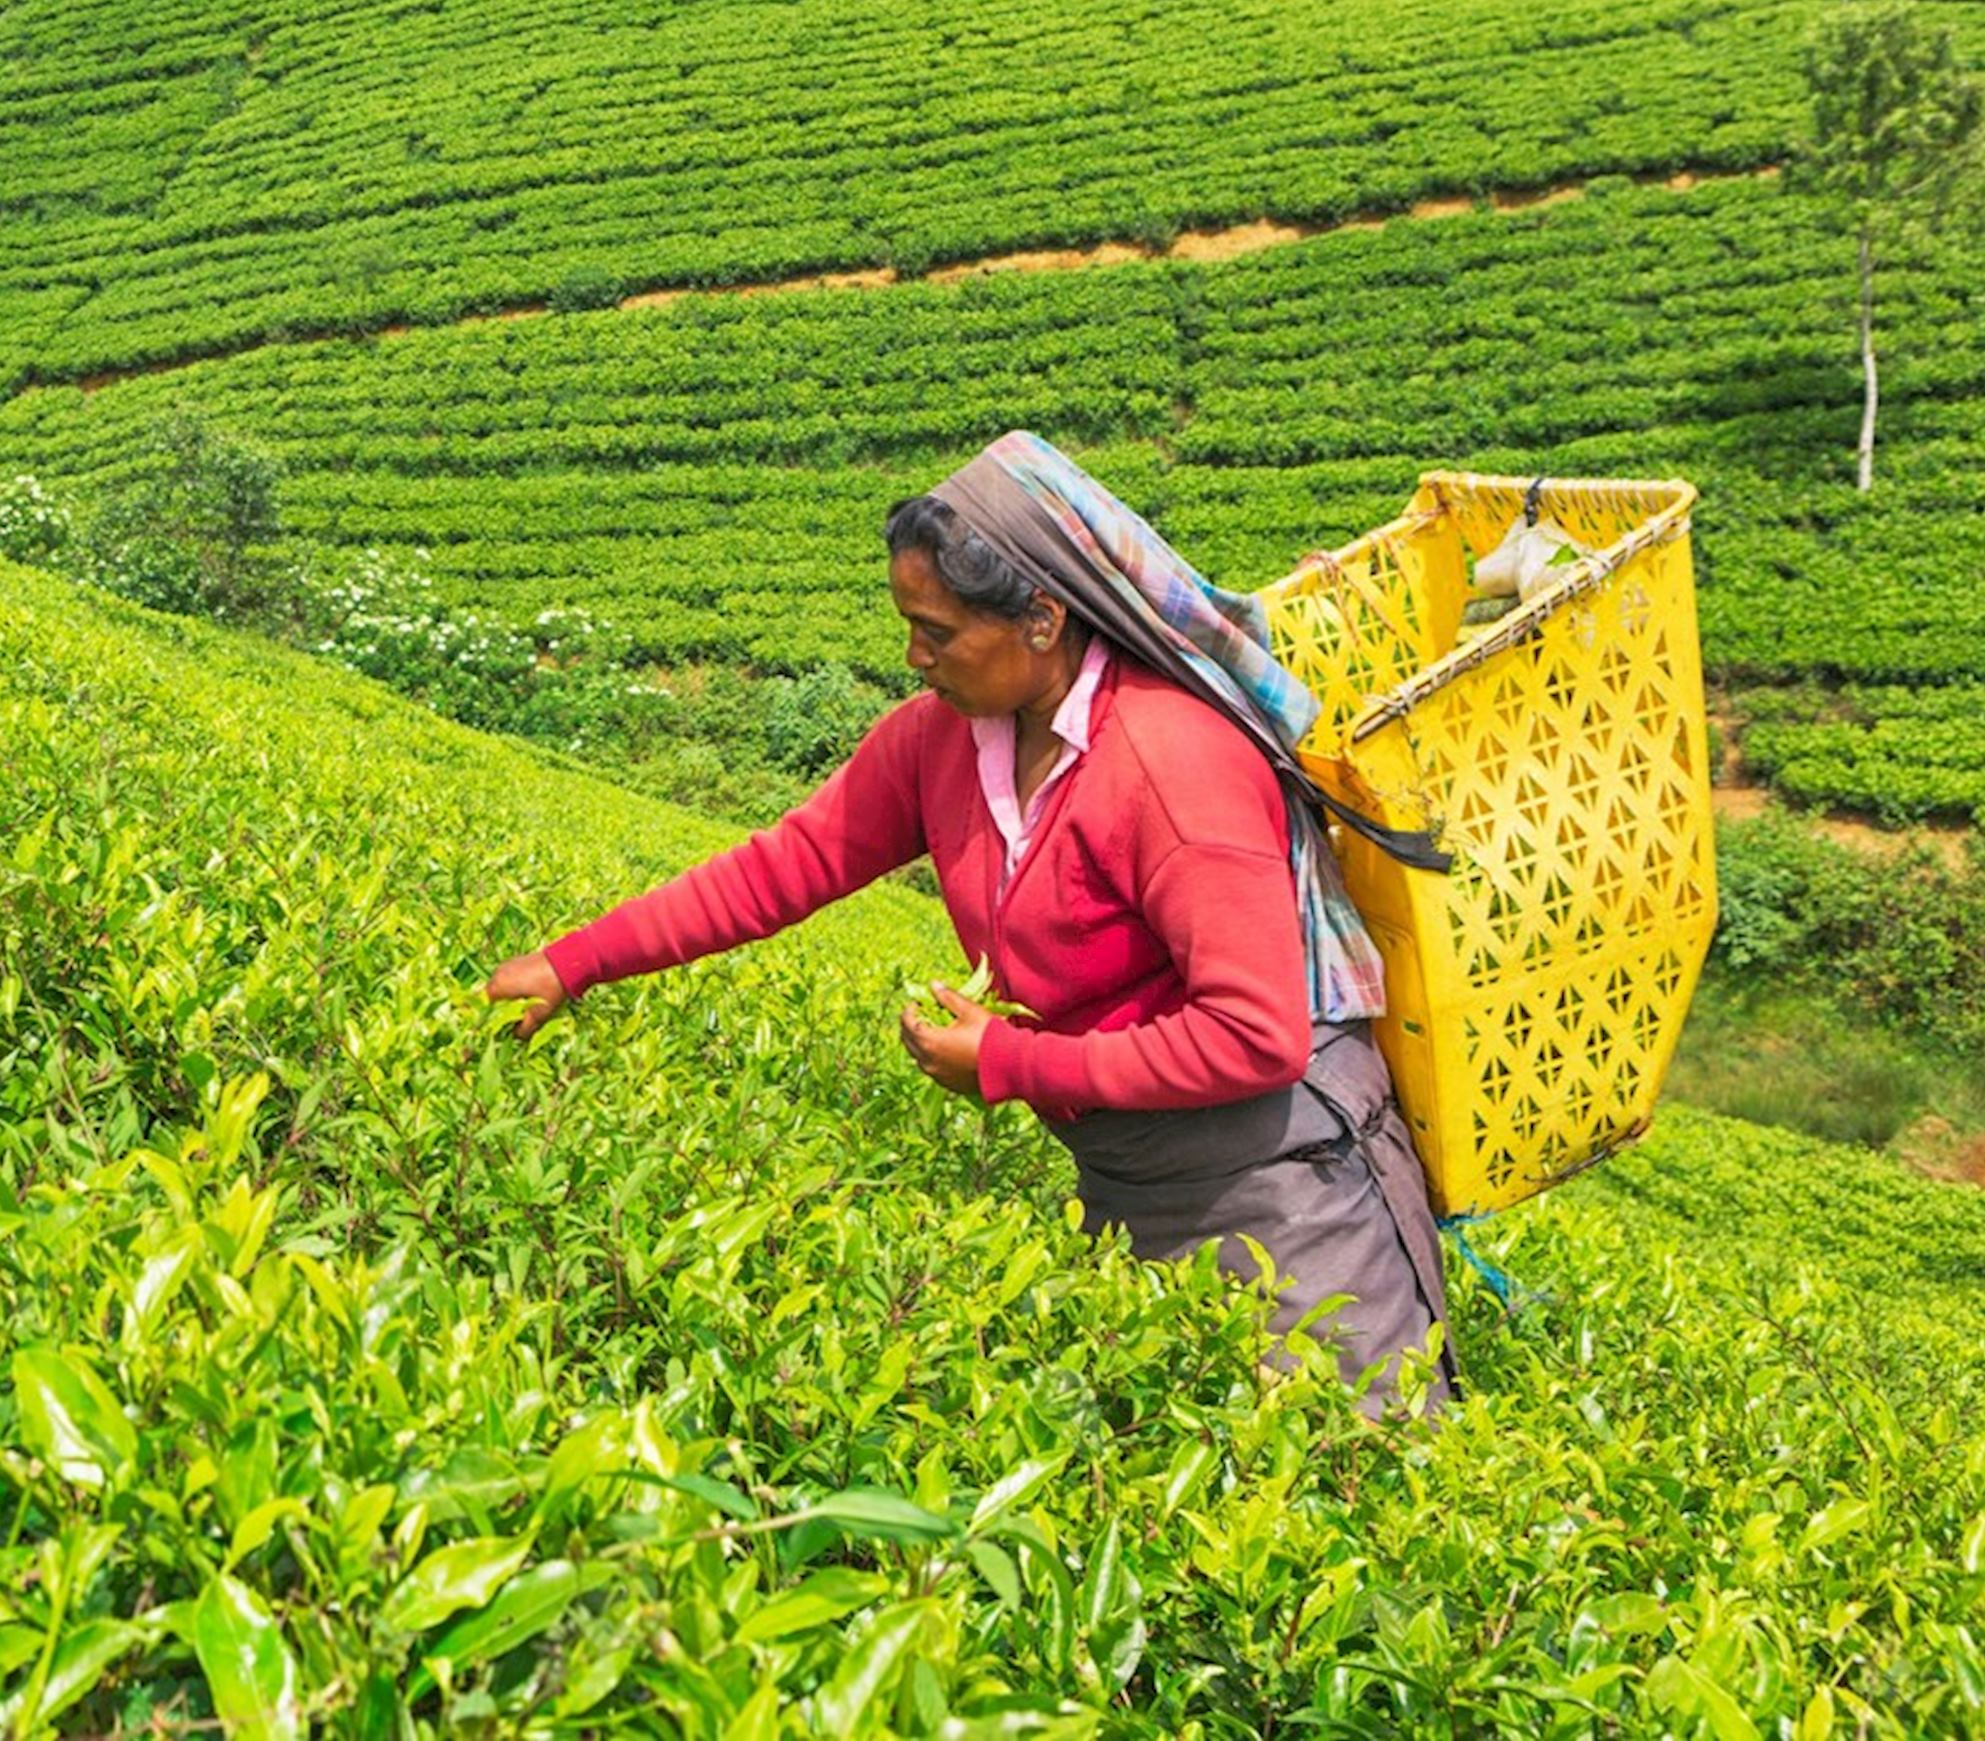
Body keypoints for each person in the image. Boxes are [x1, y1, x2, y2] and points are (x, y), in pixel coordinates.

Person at [485, 430, 1454, 1412]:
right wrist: (573, 963)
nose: (913, 657)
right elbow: (784, 866)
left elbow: (1255, 1036)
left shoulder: (1170, 765)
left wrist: (1006, 1063)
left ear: (1039, 617)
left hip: (1282, 1181)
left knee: (1339, 1456)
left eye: (937, 630)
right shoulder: (942, 741)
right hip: (1125, 1166)